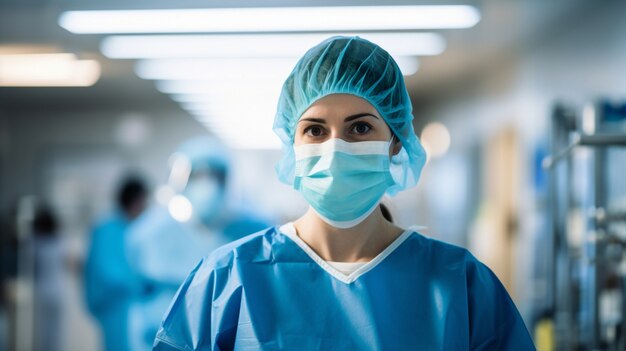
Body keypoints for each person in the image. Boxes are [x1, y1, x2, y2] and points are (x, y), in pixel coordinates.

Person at [153, 36, 536, 350]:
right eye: (315, 131)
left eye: (360, 129)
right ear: (293, 144)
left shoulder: (461, 285)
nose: (335, 147)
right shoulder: (227, 279)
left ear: (396, 143)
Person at [126, 137, 270, 351]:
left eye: (216, 175)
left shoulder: (255, 231)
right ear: (180, 179)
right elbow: (138, 295)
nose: (208, 184)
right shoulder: (150, 232)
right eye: (198, 175)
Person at [84, 176, 148, 351]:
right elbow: (110, 272)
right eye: (143, 202)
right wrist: (143, 284)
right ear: (135, 201)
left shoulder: (129, 227)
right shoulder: (109, 228)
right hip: (115, 306)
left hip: (124, 304)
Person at [31, 206, 66, 351]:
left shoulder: (34, 243)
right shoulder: (60, 242)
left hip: (42, 291)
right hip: (58, 291)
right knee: (56, 333)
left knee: (43, 332)